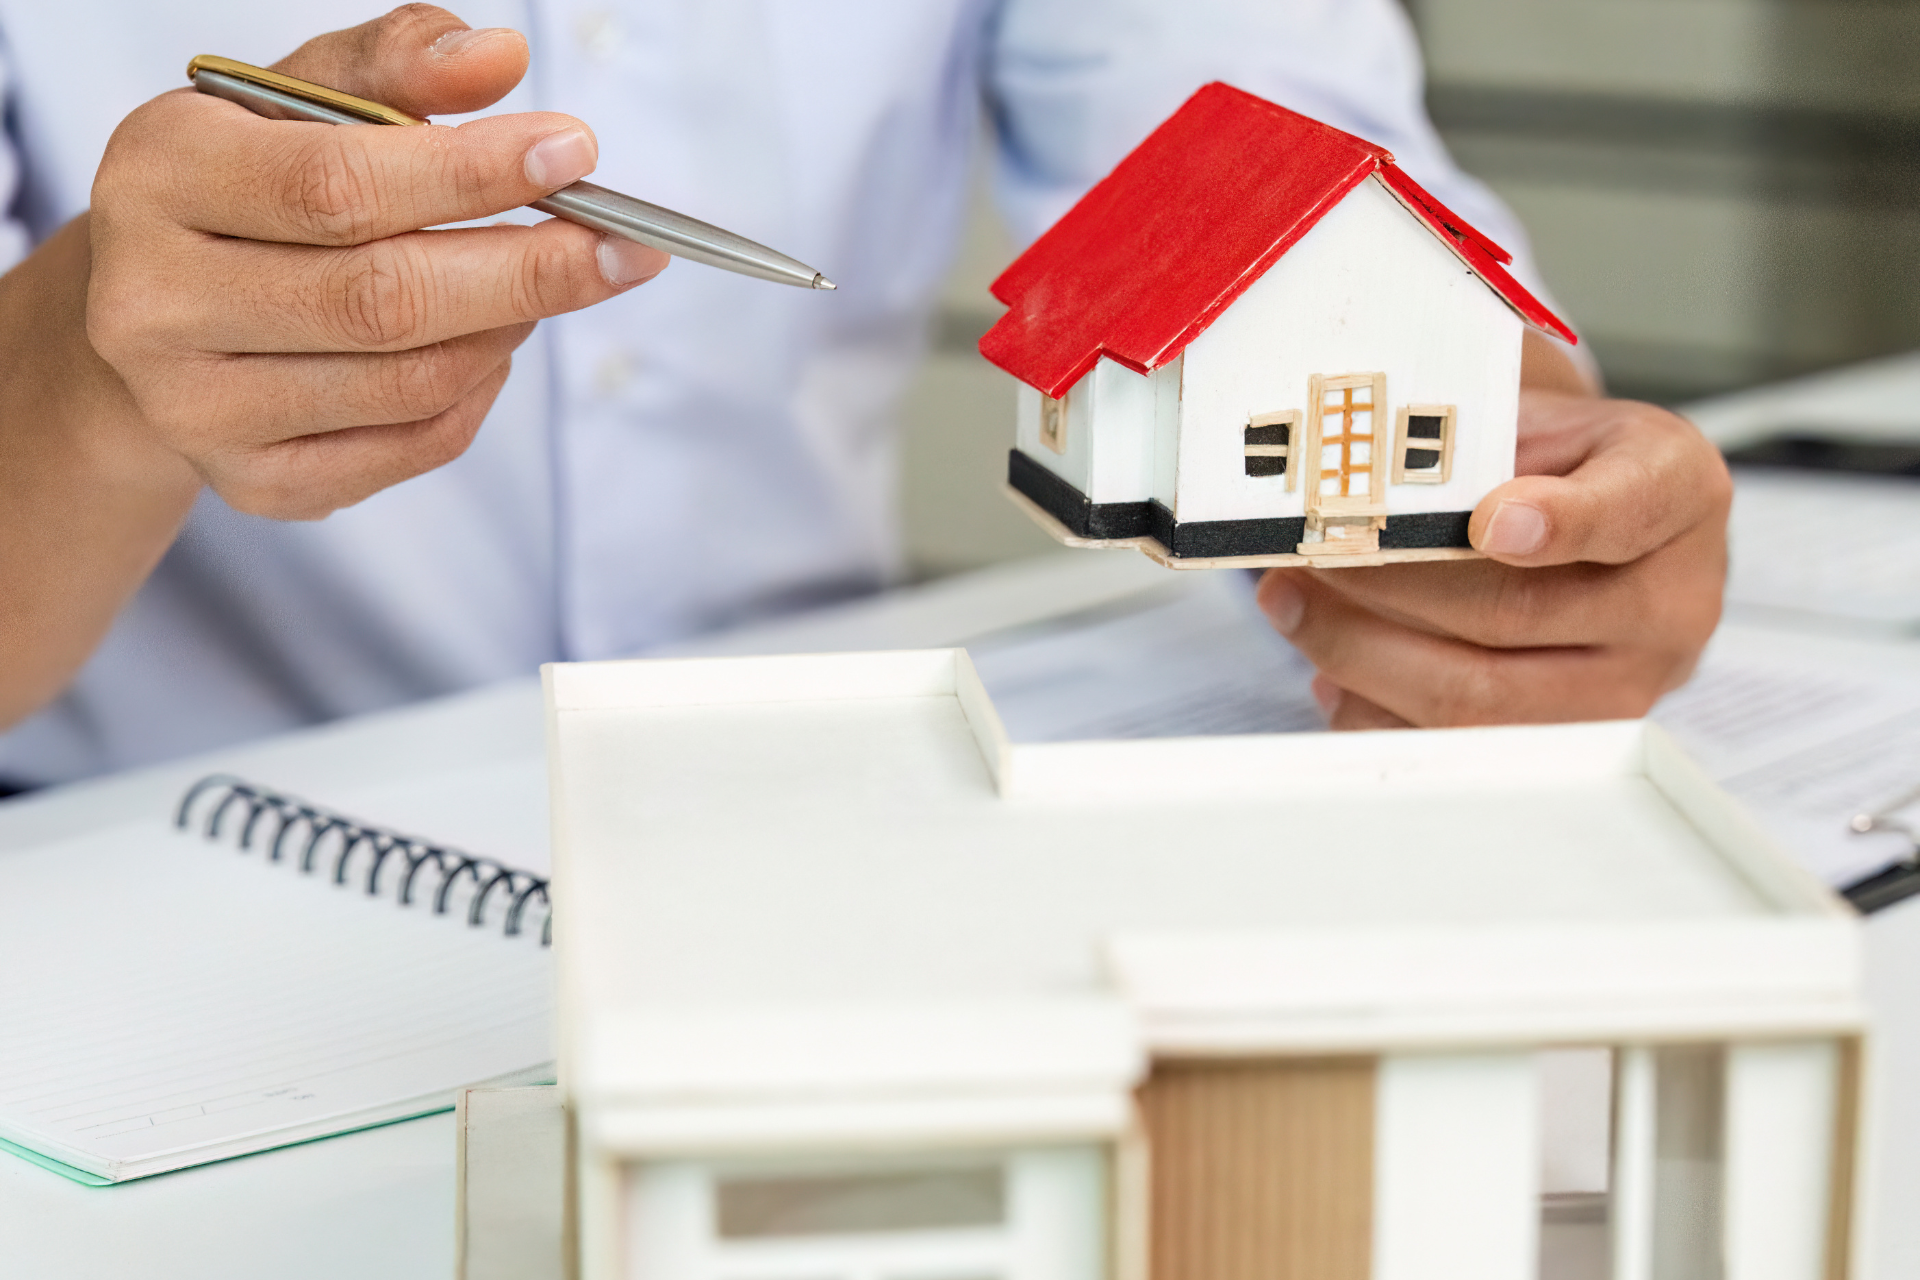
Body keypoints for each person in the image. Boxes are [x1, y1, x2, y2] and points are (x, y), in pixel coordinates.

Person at [0, 1, 1729, 785]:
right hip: (162, 848)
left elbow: (1268, 164)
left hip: (827, 795)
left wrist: (1516, 482)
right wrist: (85, 374)